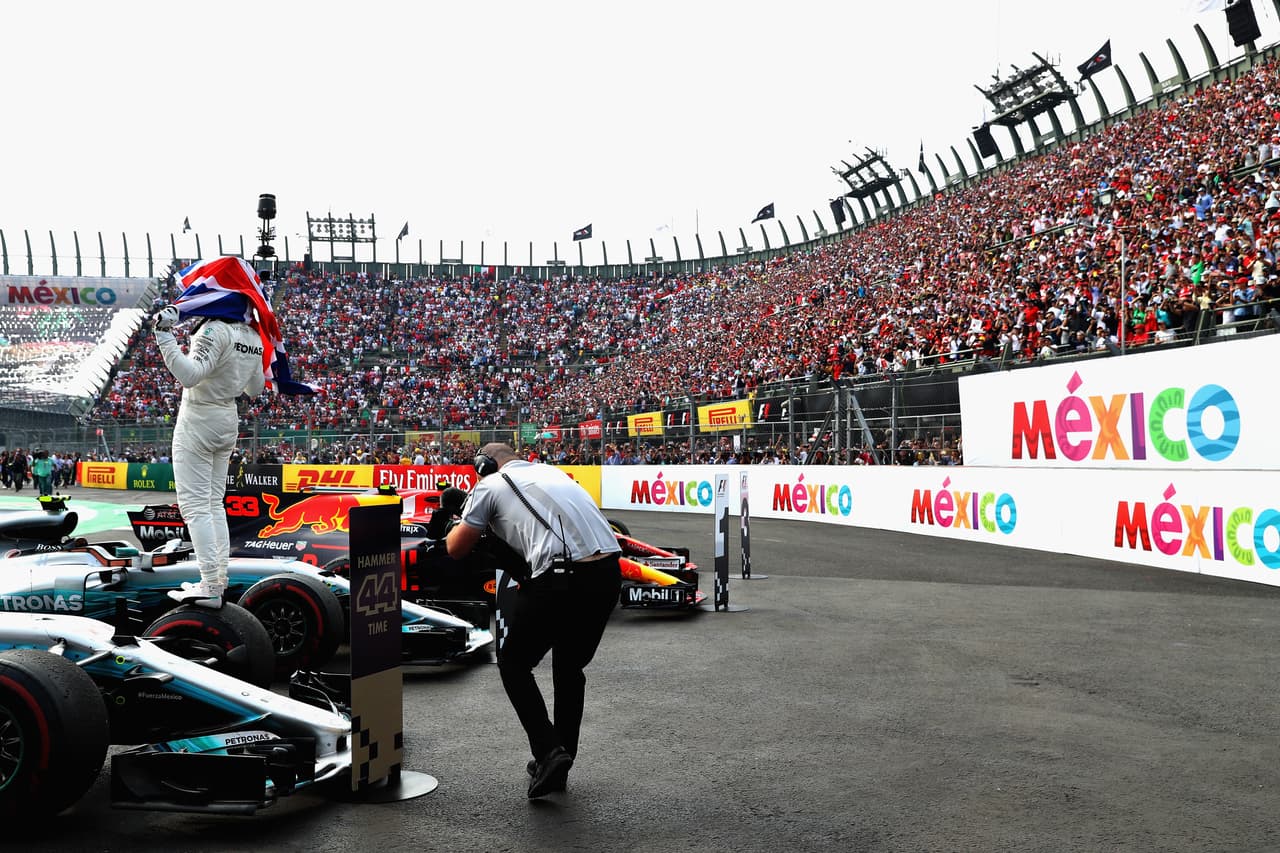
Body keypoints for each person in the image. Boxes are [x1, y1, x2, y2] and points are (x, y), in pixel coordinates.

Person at [446, 442, 621, 799]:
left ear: (485, 464)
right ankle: (559, 758)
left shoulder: (490, 484)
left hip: (559, 577)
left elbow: (456, 547)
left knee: (513, 664)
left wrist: (454, 522)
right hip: (607, 574)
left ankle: (548, 750)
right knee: (569, 668)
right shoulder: (554, 473)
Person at [155, 257, 314, 607]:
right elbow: (256, 388)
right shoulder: (254, 335)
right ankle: (218, 579)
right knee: (213, 505)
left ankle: (210, 585)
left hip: (199, 417)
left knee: (196, 506)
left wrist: (164, 336)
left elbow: (191, 376)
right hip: (228, 418)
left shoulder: (214, 329)